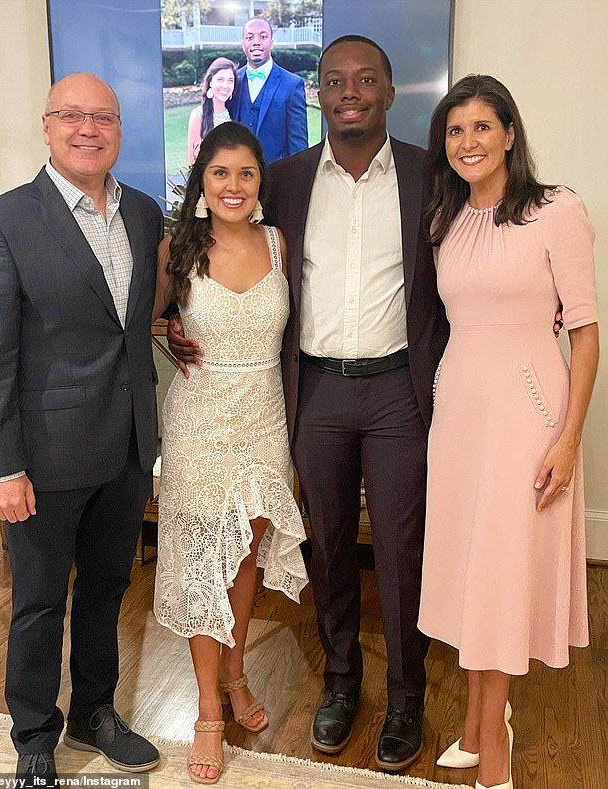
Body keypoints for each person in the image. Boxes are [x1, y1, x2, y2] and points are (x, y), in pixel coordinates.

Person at [168, 36, 450, 772]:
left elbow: (479, 248)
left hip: (398, 390)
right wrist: (173, 321)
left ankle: (406, 698)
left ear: (390, 92)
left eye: (365, 79)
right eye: (334, 80)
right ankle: (341, 683)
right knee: (325, 544)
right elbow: (214, 255)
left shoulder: (429, 174)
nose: (349, 90)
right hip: (314, 389)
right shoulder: (285, 180)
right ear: (317, 94)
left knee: (399, 547)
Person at [0, 73, 163, 781]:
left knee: (109, 587)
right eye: (74, 116)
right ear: (47, 127)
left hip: (126, 447)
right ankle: (32, 734)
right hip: (42, 459)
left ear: (119, 130)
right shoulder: (0, 220)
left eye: (104, 118)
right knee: (39, 598)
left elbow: (133, 323)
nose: (89, 129)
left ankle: (95, 710)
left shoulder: (144, 214)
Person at [418, 75, 599, 789]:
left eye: (482, 127)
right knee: (470, 570)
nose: (468, 142)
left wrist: (566, 437)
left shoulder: (557, 210)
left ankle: (495, 735)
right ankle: (473, 722)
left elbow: (585, 336)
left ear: (510, 135)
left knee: (498, 572)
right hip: (460, 414)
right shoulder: (448, 218)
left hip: (528, 414)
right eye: (456, 130)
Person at [153, 121, 308, 785]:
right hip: (199, 421)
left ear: (259, 182)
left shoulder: (278, 242)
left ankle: (238, 673)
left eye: (246, 173)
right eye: (221, 174)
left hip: (263, 420)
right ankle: (206, 712)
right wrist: (167, 332)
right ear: (202, 182)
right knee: (198, 566)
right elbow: (148, 319)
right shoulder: (177, 247)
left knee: (243, 559)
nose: (234, 186)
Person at [229, 16, 308, 165]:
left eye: (263, 36)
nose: (256, 42)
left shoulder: (292, 84)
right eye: (249, 37)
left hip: (277, 179)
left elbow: (298, 145)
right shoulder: (233, 81)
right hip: (236, 179)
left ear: (272, 43)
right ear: (243, 44)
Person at [188, 57, 237, 165]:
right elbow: (193, 160)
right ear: (210, 82)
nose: (225, 86)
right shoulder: (198, 116)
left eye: (230, 81)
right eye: (220, 79)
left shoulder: (234, 115)